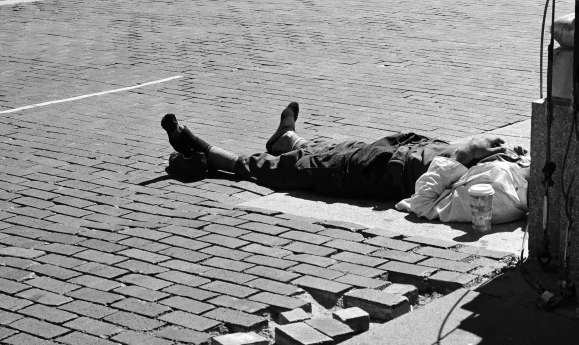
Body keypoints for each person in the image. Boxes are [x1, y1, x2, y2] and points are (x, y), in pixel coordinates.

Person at [161, 102, 530, 224]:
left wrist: (464, 154)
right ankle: (287, 139)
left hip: (378, 175)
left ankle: (200, 150)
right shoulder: (521, 170)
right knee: (329, 151)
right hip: (400, 148)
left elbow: (420, 205)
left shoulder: (502, 201)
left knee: (288, 171)